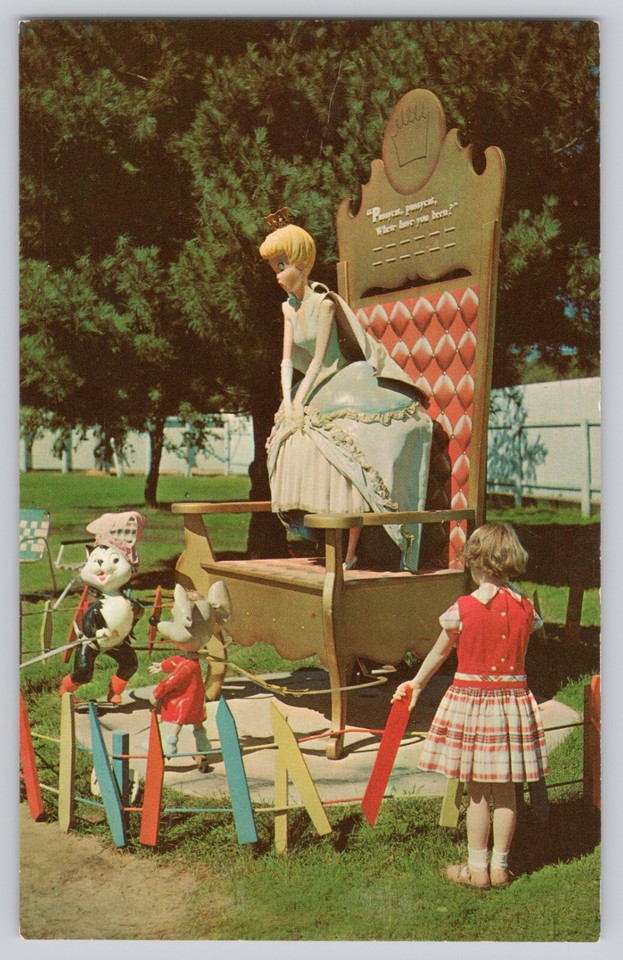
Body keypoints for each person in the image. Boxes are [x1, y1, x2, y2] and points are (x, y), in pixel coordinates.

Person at [259, 214, 433, 570]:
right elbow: (287, 361)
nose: (277, 274)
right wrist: (289, 402)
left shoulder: (324, 304)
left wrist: (300, 401)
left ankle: (350, 550)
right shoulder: (288, 308)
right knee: (293, 440)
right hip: (311, 387)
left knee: (345, 447)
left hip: (340, 379)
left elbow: (320, 359)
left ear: (301, 263)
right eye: (273, 266)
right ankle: (324, 538)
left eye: (282, 265)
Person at [392, 522, 548, 888]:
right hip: (512, 705)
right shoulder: (526, 608)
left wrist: (416, 683)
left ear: (476, 563)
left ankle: (477, 870)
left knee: (478, 791)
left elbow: (439, 652)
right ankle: (500, 867)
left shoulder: (463, 608)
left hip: (473, 704)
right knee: (507, 790)